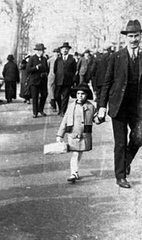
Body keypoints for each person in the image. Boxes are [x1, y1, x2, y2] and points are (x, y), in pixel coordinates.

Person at [98, 19, 142, 189]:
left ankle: (126, 162)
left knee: (139, 137)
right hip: (119, 106)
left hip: (137, 107)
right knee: (121, 142)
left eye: (136, 36)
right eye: (131, 36)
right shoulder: (116, 57)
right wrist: (102, 106)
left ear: (140, 36)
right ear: (126, 38)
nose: (133, 39)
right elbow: (106, 82)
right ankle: (120, 176)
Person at [56, 84, 96, 183]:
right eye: (78, 93)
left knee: (79, 153)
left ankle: (76, 171)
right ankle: (73, 173)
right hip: (73, 134)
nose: (80, 96)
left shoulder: (91, 106)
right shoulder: (71, 106)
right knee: (75, 153)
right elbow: (65, 120)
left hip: (84, 134)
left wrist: (100, 118)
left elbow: (94, 118)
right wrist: (60, 135)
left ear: (87, 95)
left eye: (83, 94)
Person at [54, 42, 77, 117]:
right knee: (57, 96)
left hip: (68, 81)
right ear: (61, 50)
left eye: (66, 49)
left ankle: (63, 111)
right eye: (63, 49)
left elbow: (74, 70)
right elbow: (55, 70)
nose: (65, 50)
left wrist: (72, 79)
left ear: (68, 50)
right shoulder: (58, 59)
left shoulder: (72, 60)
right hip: (59, 81)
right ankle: (60, 108)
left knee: (65, 97)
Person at [26, 43, 49, 118]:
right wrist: (36, 67)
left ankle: (40, 109)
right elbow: (28, 69)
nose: (42, 52)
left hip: (43, 80)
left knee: (44, 95)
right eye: (40, 50)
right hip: (34, 81)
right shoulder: (32, 58)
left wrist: (45, 73)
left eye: (42, 50)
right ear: (37, 51)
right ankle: (35, 112)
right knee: (35, 97)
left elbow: (47, 69)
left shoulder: (44, 59)